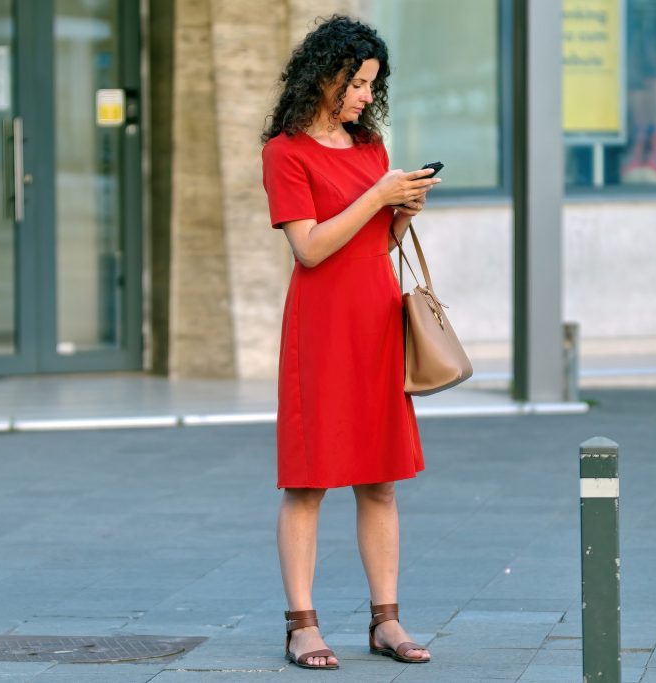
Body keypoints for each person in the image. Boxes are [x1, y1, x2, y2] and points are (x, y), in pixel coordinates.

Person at [261, 15, 440, 670]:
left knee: (381, 480)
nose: (368, 96)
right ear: (327, 76)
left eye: (373, 85)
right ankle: (301, 623)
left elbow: (372, 247)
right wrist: (377, 197)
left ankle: (385, 619)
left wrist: (401, 212)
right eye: (359, 83)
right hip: (321, 329)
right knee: (308, 481)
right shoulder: (284, 152)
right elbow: (310, 249)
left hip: (376, 322)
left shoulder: (370, 149)